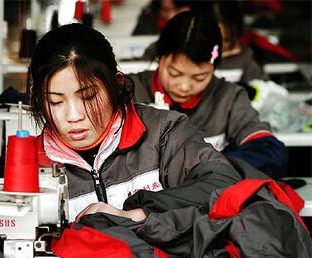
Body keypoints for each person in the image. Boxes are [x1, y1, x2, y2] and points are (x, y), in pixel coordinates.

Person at [28, 23, 241, 223]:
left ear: (117, 85)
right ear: (37, 99)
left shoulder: (162, 134)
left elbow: (224, 184)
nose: (73, 116)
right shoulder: (30, 166)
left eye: (88, 97)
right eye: (55, 101)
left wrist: (137, 215)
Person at [129, 11, 288, 179]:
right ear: (159, 58)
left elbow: (269, 151)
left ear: (215, 67)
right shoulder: (129, 92)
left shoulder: (228, 98)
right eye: (174, 73)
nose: (184, 86)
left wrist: (208, 168)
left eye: (200, 77)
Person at [211, 0, 268, 83]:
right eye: (214, 40)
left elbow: (262, 85)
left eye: (226, 40)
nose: (220, 45)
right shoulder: (196, 58)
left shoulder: (245, 56)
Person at [132, 0, 212, 36]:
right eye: (165, 10)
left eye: (177, 9)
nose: (170, 16)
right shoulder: (149, 19)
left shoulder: (205, 24)